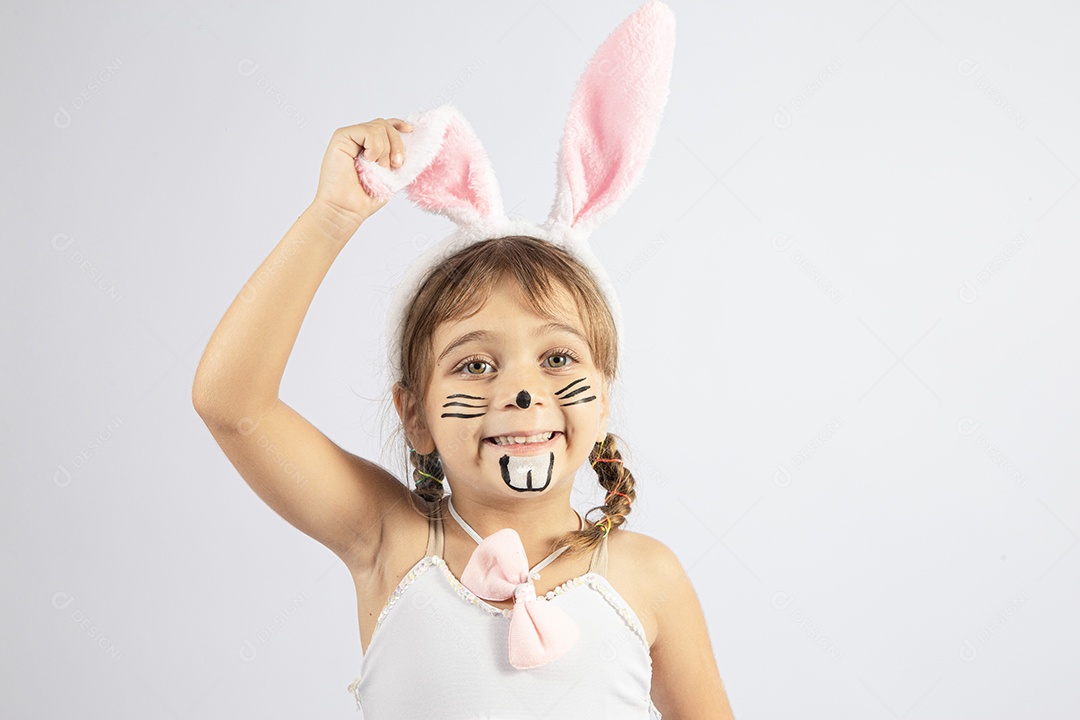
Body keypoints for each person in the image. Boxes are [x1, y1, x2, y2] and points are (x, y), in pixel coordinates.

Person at [193, 2, 734, 717]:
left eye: (557, 358)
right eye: (476, 365)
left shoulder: (648, 576)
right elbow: (232, 405)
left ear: (604, 396)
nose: (520, 390)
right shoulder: (389, 540)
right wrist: (331, 217)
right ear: (413, 414)